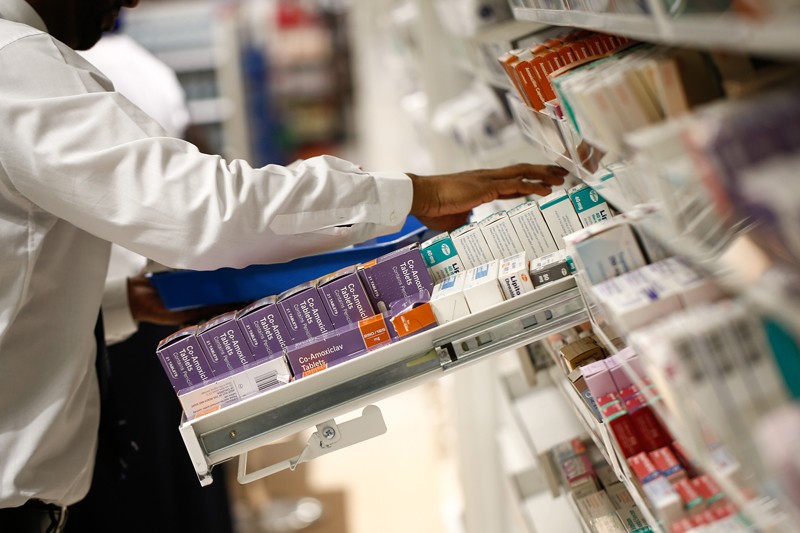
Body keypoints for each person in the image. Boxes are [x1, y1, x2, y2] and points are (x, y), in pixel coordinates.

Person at [0, 1, 568, 533]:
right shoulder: (15, 63)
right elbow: (205, 208)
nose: (130, 3)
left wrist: (122, 303)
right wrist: (413, 194)